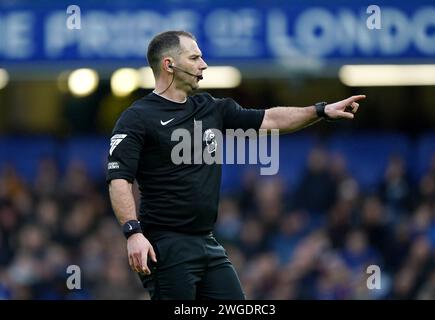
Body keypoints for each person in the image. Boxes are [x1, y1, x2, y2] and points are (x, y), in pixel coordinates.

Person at [106, 30, 365, 300]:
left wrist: (320, 111)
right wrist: (133, 233)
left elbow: (272, 120)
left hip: (207, 241)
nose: (203, 64)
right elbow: (119, 179)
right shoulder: (137, 118)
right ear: (168, 65)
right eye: (194, 58)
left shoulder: (210, 108)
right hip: (166, 244)